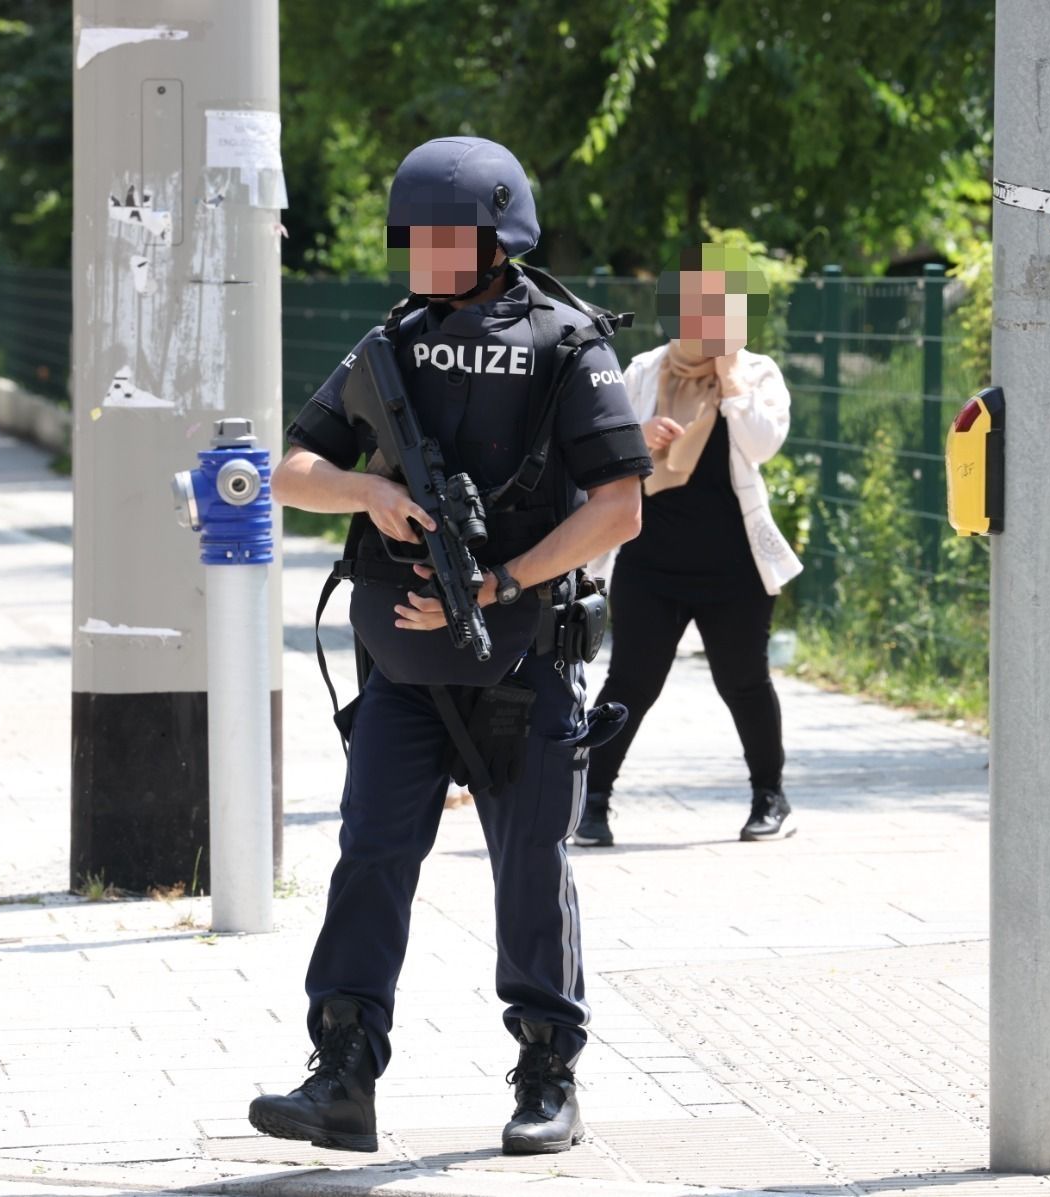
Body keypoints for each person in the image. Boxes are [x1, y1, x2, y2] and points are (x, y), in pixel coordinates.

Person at [248, 137, 650, 1156]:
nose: (422, 253)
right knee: (370, 859)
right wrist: (371, 493)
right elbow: (292, 468)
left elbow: (620, 509)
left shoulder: (567, 343)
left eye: (443, 235)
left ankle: (548, 1072)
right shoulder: (397, 340)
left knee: (529, 864)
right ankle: (343, 1072)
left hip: (522, 661)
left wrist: (501, 582)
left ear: (497, 237)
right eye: (413, 235)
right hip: (404, 671)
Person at [575, 245, 804, 848]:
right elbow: (603, 451)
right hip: (652, 561)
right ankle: (592, 802)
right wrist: (639, 437)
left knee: (745, 681)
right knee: (630, 682)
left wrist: (729, 382)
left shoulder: (757, 376)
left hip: (735, 566)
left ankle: (769, 798)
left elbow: (760, 445)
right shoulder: (645, 370)